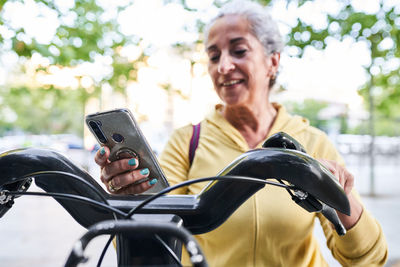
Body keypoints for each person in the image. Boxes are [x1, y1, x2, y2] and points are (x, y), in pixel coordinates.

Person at [95, 0, 388, 266]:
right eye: (213, 56)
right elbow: (157, 223)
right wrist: (132, 191)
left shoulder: (314, 143)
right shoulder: (188, 142)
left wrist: (340, 197)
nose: (223, 66)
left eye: (239, 50)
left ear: (272, 62)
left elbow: (369, 259)